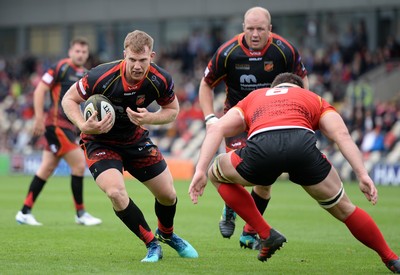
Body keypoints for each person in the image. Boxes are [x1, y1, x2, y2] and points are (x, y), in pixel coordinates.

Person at [189, 73, 400, 273]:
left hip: (263, 149)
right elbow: (341, 135)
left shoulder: (255, 96)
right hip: (302, 148)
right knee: (345, 209)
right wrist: (362, 174)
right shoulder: (313, 98)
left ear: (274, 87)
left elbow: (216, 129)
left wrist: (200, 170)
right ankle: (390, 257)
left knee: (216, 172)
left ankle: (264, 232)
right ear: (299, 87)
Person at [62, 30, 198, 262]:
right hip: (99, 142)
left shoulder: (160, 79)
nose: (136, 66)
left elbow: (172, 111)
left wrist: (150, 118)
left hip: (135, 139)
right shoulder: (101, 75)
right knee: (115, 192)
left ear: (151, 56)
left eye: (142, 60)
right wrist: (84, 124)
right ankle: (151, 244)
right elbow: (69, 99)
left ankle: (167, 234)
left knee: (167, 194)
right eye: (132, 59)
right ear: (124, 54)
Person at [198, 6, 309, 248]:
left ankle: (249, 233)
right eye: (250, 28)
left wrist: (302, 111)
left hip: (270, 119)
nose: (255, 33)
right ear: (243, 28)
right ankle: (230, 208)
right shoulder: (228, 52)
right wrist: (209, 118)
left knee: (265, 180)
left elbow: (301, 80)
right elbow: (206, 84)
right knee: (240, 171)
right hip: (237, 118)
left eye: (260, 29)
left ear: (270, 29)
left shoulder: (284, 50)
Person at [15, 37, 102, 226]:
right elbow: (40, 90)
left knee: (46, 168)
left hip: (68, 127)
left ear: (87, 54)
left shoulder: (85, 74)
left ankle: (24, 211)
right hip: (56, 125)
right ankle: (80, 214)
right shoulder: (61, 67)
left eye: (83, 52)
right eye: (77, 51)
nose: (80, 54)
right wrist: (38, 118)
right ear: (70, 52)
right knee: (79, 165)